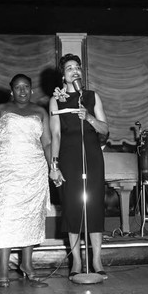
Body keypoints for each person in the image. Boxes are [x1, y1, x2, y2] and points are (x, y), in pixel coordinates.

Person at [0, 74, 51, 287]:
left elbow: (47, 143)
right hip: (7, 169)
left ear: (31, 90)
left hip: (35, 169)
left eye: (26, 87)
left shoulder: (40, 111)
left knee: (31, 216)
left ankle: (27, 264)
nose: (22, 91)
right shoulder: (0, 109)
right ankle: (3, 267)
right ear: (11, 91)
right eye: (18, 87)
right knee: (6, 216)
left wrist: (54, 166)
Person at [49, 53, 109, 280]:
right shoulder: (56, 100)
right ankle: (76, 261)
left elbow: (105, 129)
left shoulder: (93, 97)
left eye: (77, 67)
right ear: (63, 76)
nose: (74, 71)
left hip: (92, 157)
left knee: (93, 207)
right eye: (69, 68)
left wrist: (90, 118)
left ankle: (96, 260)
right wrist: (54, 166)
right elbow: (55, 134)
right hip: (68, 158)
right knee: (73, 209)